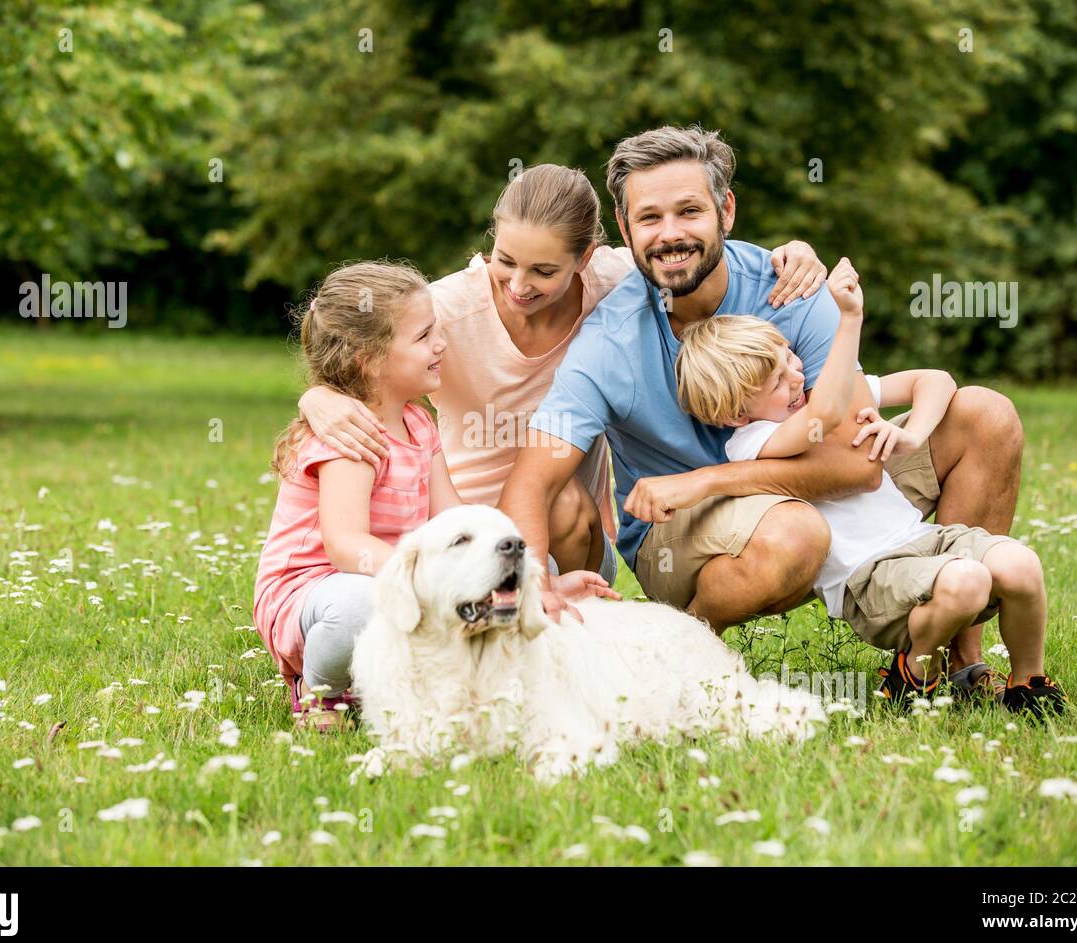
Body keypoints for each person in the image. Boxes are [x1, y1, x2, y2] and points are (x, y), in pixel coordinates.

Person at [500, 125, 1025, 701]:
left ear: (725, 210)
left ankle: (956, 660)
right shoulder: (610, 342)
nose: (670, 234)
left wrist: (705, 480)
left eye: (689, 211)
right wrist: (532, 582)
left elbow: (858, 468)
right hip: (685, 535)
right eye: (649, 218)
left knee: (985, 416)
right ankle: (686, 659)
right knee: (795, 531)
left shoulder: (791, 291)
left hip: (794, 489)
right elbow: (532, 481)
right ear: (624, 229)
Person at [296, 164, 826, 588]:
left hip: (570, 532)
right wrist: (317, 396)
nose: (518, 286)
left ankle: (566, 619)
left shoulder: (615, 285)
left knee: (564, 498)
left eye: (545, 271)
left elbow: (685, 245)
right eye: (505, 261)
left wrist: (794, 251)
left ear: (585, 258)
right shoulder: (444, 311)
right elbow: (352, 340)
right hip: (460, 525)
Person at [673, 260, 1066, 715]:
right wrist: (848, 320)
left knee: (1022, 565)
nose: (798, 377)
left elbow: (935, 380)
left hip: (924, 540)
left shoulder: (814, 399)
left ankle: (1028, 686)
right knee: (968, 581)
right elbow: (823, 415)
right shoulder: (752, 442)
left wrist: (912, 434)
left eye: (791, 358)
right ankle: (912, 674)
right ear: (736, 415)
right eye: (778, 382)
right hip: (869, 577)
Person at [253, 261, 611, 731]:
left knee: (496, 574)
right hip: (315, 593)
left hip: (388, 578)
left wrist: (530, 581)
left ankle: (397, 674)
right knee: (363, 604)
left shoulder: (419, 424)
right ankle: (322, 693)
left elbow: (457, 519)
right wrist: (424, 579)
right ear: (369, 358)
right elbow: (344, 546)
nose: (441, 344)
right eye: (424, 337)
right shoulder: (351, 438)